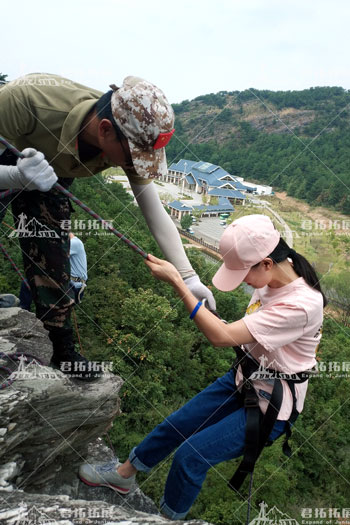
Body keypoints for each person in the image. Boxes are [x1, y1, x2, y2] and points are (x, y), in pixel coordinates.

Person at [79, 214, 325, 520]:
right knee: (176, 424)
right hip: (245, 378)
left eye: (244, 273)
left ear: (266, 263)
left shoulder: (302, 304)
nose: (244, 283)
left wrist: (180, 285)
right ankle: (124, 474)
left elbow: (220, 338)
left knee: (191, 457)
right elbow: (248, 333)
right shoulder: (274, 277)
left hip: (271, 406)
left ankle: (167, 518)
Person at [0, 73, 215, 379]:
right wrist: (16, 176)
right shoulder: (24, 102)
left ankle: (61, 349)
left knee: (54, 256)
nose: (135, 167)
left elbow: (153, 211)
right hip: (12, 153)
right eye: (134, 159)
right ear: (104, 131)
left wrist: (189, 278)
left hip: (52, 172)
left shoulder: (128, 135)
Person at [18, 232, 87, 310]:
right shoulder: (68, 243)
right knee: (28, 283)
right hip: (68, 284)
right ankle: (24, 313)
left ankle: (23, 311)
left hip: (73, 287)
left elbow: (51, 255)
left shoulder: (75, 243)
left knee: (27, 284)